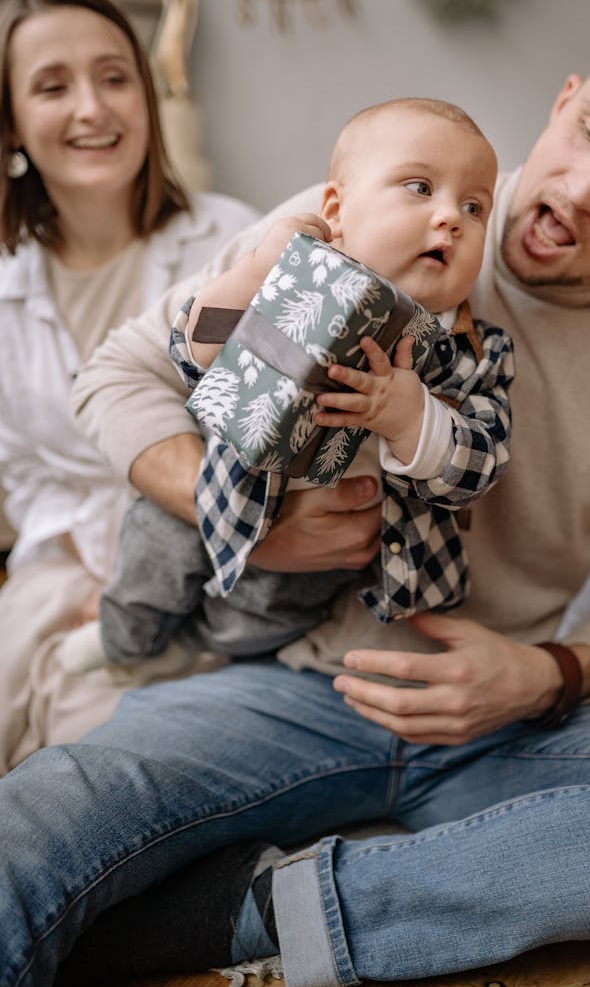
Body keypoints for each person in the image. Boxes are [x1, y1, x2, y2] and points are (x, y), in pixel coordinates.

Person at [3, 0, 590, 987]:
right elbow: (122, 377)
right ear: (569, 93)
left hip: (499, 727)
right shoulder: (357, 219)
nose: (578, 190)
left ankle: (279, 907)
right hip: (288, 684)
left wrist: (542, 676)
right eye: (589, 131)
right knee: (36, 822)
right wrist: (254, 520)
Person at [57, 98, 513, 671]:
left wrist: (408, 414)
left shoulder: (472, 349)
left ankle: (198, 654)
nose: (451, 216)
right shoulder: (291, 273)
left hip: (327, 556)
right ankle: (123, 639)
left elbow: (482, 464)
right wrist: (253, 274)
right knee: (151, 562)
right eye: (420, 188)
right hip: (217, 487)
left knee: (260, 623)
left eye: (475, 207)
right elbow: (191, 354)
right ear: (336, 210)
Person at [0, 0, 258, 774]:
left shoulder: (236, 240)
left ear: (146, 97)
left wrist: (137, 573)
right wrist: (83, 563)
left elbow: (259, 445)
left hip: (206, 576)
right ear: (10, 123)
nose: (92, 108)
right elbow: (23, 474)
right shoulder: (5, 278)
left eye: (114, 77)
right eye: (53, 86)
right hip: (59, 565)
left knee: (93, 744)